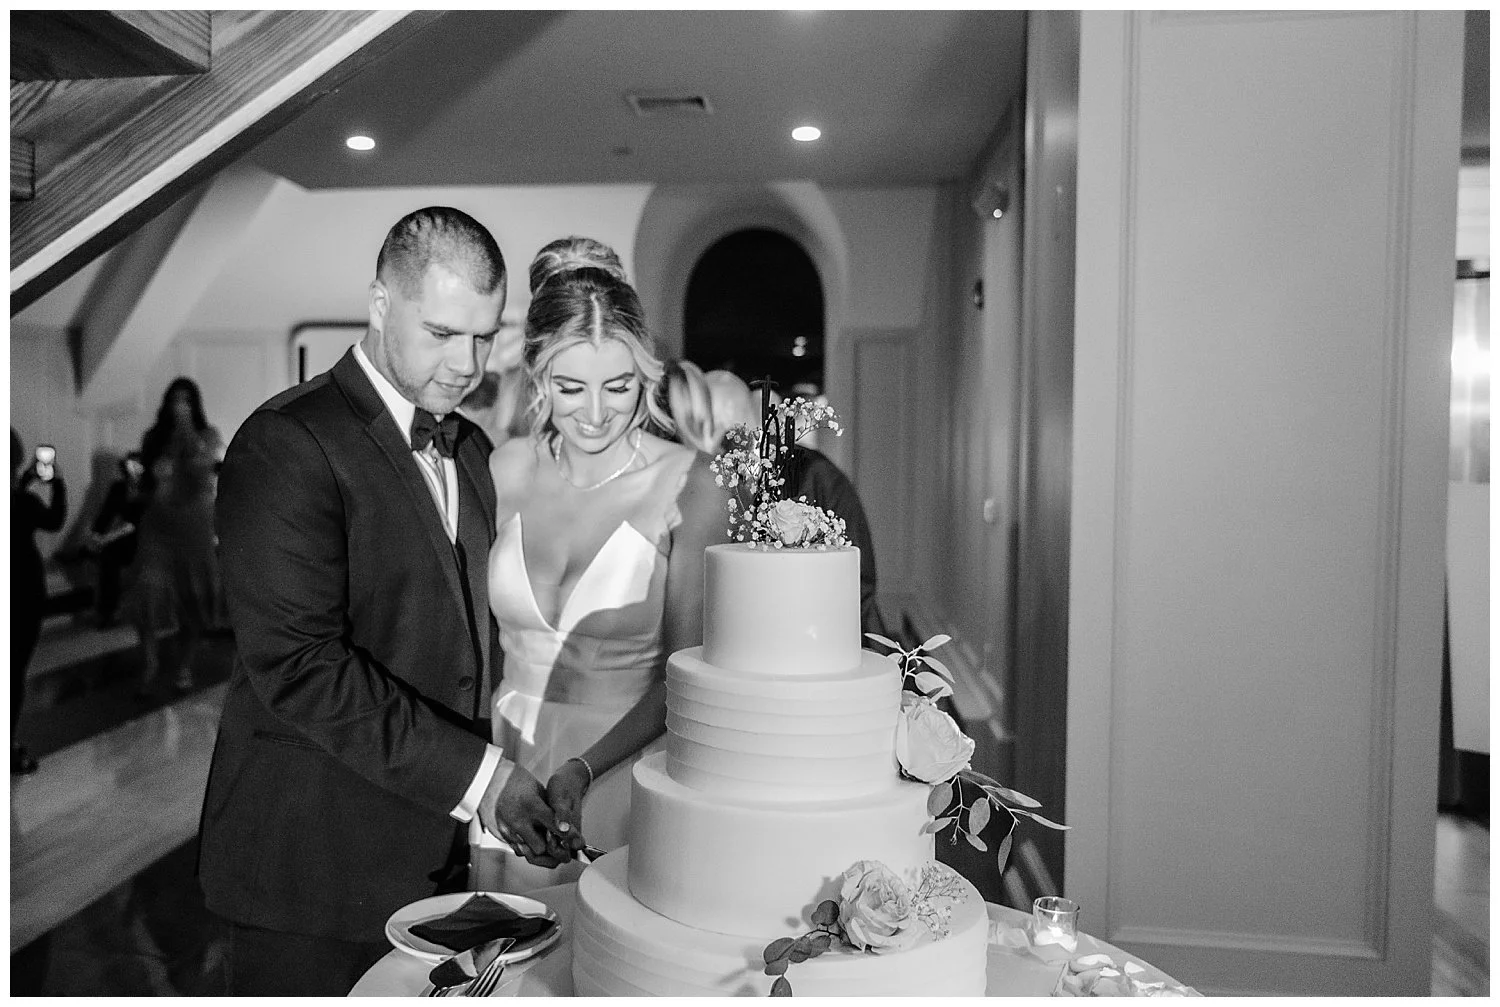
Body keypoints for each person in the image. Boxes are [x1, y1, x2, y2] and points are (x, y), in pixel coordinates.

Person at [196, 206, 536, 995]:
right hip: (309, 870)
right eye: (442, 332)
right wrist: (483, 776)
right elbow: (300, 666)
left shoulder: (471, 447)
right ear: (380, 303)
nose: (467, 363)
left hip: (434, 863)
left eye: (484, 337)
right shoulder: (287, 440)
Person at [480, 236, 729, 890]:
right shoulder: (501, 470)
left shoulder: (689, 483)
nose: (594, 414)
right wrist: (486, 773)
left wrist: (584, 768)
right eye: (570, 387)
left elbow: (689, 671)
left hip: (619, 767)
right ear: (539, 377)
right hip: (506, 763)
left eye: (618, 387)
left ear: (645, 376)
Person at [666, 364, 888, 637]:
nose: (718, 451)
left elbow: (858, 580)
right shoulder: (699, 485)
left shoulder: (815, 474)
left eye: (727, 436)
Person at [127, 378, 224, 694]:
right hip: (158, 526)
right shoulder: (153, 437)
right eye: (175, 400)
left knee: (194, 598)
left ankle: (183, 665)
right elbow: (148, 481)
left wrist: (186, 430)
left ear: (195, 405)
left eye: (186, 401)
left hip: (195, 527)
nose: (180, 406)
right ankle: (150, 663)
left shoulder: (208, 436)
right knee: (147, 590)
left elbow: (201, 470)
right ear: (166, 404)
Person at [11, 430, 68, 776]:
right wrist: (56, 483)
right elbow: (54, 520)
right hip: (22, 589)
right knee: (13, 668)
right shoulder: (23, 502)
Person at [86, 452, 147, 627]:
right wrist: (95, 534)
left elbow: (134, 523)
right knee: (108, 557)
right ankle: (107, 612)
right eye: (131, 465)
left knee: (110, 550)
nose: (134, 468)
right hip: (124, 538)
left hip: (145, 538)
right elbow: (107, 512)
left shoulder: (148, 489)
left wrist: (105, 539)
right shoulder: (119, 487)